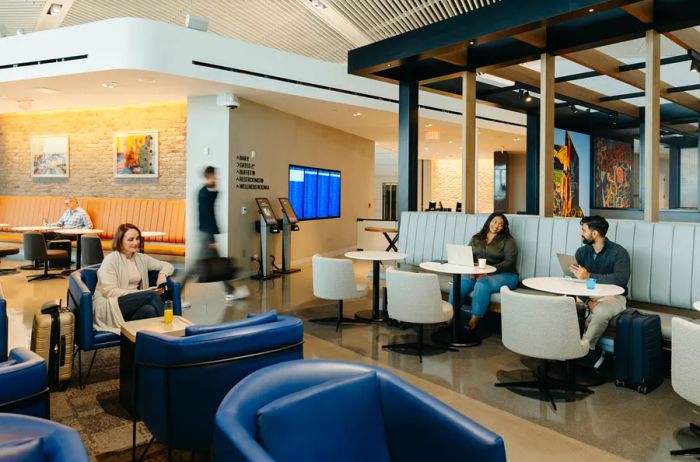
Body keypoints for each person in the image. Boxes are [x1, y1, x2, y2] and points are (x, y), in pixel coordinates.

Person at [449, 212, 519, 346]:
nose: (496, 226)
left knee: (482, 285)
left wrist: (489, 271)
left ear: (504, 227)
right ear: (489, 222)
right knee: (460, 284)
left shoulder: (508, 241)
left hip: (506, 274)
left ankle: (473, 321)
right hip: (478, 272)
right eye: (494, 222)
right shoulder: (477, 238)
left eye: (500, 224)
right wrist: (470, 270)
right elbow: (467, 255)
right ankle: (449, 319)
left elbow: (510, 262)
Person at [93, 223, 175, 334]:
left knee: (149, 311)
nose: (136, 243)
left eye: (137, 239)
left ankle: (147, 347)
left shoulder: (141, 258)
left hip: (134, 304)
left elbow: (167, 265)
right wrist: (142, 294)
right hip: (111, 305)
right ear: (120, 241)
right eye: (130, 239)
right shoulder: (110, 260)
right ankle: (170, 334)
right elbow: (110, 292)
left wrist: (162, 275)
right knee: (152, 295)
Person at [182, 166, 249, 302]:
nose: (216, 178)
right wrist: (211, 239)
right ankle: (176, 292)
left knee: (217, 264)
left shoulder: (205, 193)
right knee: (195, 267)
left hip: (206, 234)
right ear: (210, 175)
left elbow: (215, 194)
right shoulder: (204, 194)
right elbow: (207, 216)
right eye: (214, 175)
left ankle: (230, 291)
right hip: (206, 236)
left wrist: (213, 184)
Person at [570, 215, 630, 364]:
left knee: (602, 312)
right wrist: (588, 302)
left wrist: (589, 276)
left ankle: (584, 351)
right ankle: (564, 347)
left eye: (583, 230)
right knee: (563, 303)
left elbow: (620, 279)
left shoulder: (619, 253)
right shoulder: (581, 253)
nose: (581, 233)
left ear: (594, 234)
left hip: (613, 297)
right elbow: (576, 283)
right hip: (586, 295)